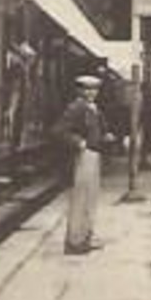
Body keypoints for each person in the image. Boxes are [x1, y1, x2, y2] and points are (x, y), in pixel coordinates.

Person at [52, 74, 107, 255]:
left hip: (93, 154)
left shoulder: (92, 108)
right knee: (81, 199)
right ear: (80, 91)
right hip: (84, 156)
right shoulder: (76, 107)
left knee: (90, 199)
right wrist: (79, 142)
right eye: (87, 89)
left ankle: (85, 237)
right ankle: (75, 242)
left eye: (94, 89)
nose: (92, 93)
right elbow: (59, 130)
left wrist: (104, 136)